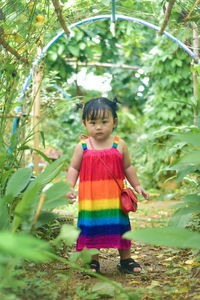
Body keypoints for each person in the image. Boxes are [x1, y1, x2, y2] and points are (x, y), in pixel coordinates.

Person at [66, 97, 149, 275]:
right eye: (93, 122)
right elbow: (73, 168)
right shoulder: (82, 146)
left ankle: (125, 259)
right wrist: (69, 187)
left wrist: (137, 185)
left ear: (114, 122)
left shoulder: (119, 145)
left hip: (114, 200)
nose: (98, 127)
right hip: (91, 201)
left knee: (120, 227)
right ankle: (92, 262)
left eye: (104, 122)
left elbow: (128, 167)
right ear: (85, 123)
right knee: (90, 228)